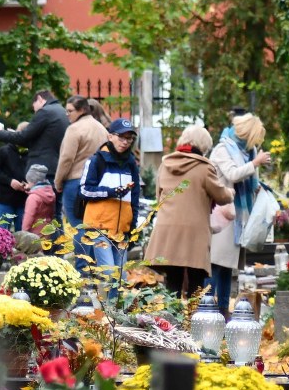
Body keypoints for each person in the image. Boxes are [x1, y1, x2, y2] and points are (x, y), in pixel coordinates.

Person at [145, 126, 234, 298]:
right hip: (194, 232)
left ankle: (171, 314)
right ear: (203, 145)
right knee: (196, 281)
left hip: (167, 230)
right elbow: (221, 196)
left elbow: (159, 196)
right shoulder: (204, 167)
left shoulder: (165, 164)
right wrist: (231, 193)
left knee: (173, 280)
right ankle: (194, 315)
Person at [208, 113, 271, 312]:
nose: (257, 143)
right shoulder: (223, 149)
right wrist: (255, 163)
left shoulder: (248, 151)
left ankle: (223, 310)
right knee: (215, 264)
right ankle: (204, 309)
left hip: (238, 216)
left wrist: (258, 186)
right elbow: (233, 174)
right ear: (248, 134)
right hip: (222, 213)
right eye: (255, 138)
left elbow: (250, 179)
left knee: (228, 266)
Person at [78, 119, 141, 286]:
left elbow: (134, 198)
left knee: (121, 278)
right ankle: (104, 302)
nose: (125, 142)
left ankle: (112, 304)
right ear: (110, 136)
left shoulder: (131, 164)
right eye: (121, 137)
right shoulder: (96, 160)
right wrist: (111, 192)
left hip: (122, 230)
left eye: (129, 138)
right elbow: (84, 190)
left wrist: (133, 228)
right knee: (109, 274)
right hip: (99, 227)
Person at [55, 96, 108, 233]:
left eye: (70, 111)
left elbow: (67, 158)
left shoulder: (74, 129)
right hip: (98, 182)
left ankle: (81, 249)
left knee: (78, 226)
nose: (67, 114)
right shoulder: (102, 129)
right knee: (94, 227)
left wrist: (58, 181)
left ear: (82, 110)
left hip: (76, 182)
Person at [0, 90, 69, 182]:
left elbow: (23, 137)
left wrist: (0, 133)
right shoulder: (63, 112)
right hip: (56, 167)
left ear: (39, 99)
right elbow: (42, 141)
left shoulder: (45, 112)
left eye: (34, 106)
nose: (35, 111)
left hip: (41, 170)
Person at [0, 123, 29, 230]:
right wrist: (10, 181)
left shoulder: (31, 153)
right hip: (5, 199)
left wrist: (29, 184)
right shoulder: (3, 151)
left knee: (23, 233)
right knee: (2, 232)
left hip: (24, 200)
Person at [20, 164, 56, 235]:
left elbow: (28, 217)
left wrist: (24, 233)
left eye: (28, 182)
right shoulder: (51, 193)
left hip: (34, 234)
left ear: (32, 181)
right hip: (47, 231)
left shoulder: (33, 198)